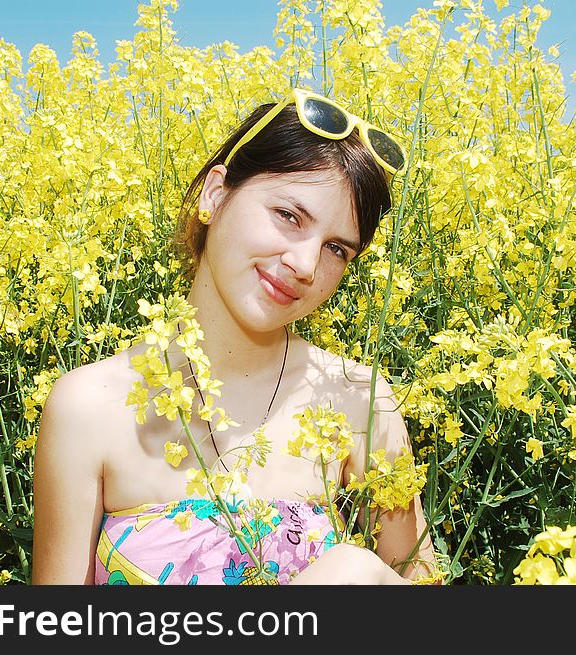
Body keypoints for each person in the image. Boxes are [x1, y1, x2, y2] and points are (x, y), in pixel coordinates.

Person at [31, 88, 439, 585]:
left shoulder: (361, 399)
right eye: (289, 216)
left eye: (336, 249)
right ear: (215, 192)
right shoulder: (89, 405)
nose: (305, 266)